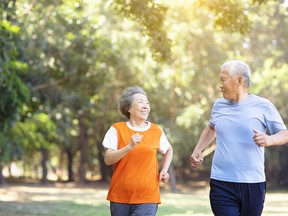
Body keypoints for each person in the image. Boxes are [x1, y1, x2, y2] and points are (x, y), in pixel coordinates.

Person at [190, 60, 288, 216]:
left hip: (253, 183)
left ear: (239, 80)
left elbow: (284, 134)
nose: (220, 85)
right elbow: (211, 127)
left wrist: (269, 140)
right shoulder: (219, 105)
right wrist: (198, 149)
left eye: (223, 79)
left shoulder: (263, 105)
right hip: (221, 181)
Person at [102, 86, 173, 216]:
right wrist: (129, 147)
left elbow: (168, 149)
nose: (145, 106)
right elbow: (108, 159)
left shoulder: (156, 130)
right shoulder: (116, 129)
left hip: (148, 196)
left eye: (147, 103)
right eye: (140, 102)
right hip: (120, 195)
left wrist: (164, 170)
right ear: (128, 108)